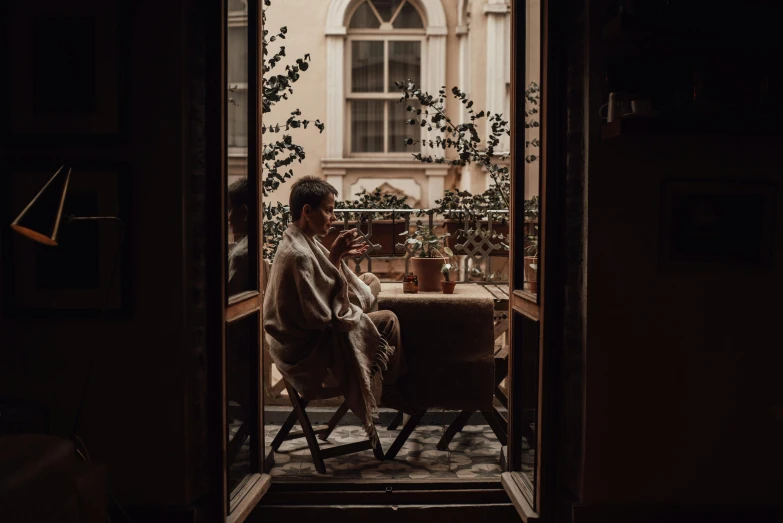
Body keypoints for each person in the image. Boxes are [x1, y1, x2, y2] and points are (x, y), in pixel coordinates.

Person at [263, 176, 411, 445]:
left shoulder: (301, 240)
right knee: (389, 320)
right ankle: (390, 388)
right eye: (329, 210)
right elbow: (320, 316)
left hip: (307, 332)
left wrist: (337, 259)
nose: (333, 217)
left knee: (369, 282)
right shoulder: (298, 255)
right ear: (307, 211)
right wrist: (335, 259)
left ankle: (384, 373)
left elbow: (321, 287)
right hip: (305, 349)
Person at [227, 177, 249, 297]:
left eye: (230, 209)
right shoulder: (252, 245)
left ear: (244, 211)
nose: (228, 217)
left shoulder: (240, 256)